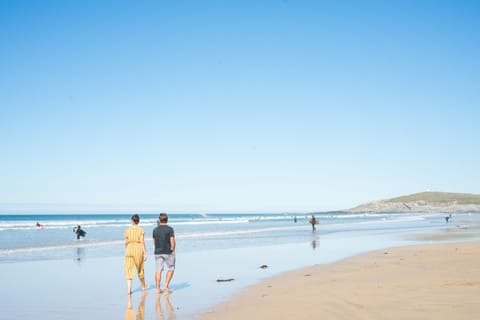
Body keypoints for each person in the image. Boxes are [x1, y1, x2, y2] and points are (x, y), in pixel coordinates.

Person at [124, 214, 149, 295]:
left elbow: (126, 242)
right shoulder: (141, 230)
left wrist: (127, 248)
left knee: (128, 269)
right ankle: (143, 285)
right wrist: (145, 253)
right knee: (140, 268)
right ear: (138, 221)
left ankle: (128, 290)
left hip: (129, 249)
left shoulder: (127, 230)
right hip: (138, 249)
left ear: (132, 221)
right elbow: (142, 241)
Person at [153, 213, 176, 294]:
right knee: (171, 268)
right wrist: (173, 249)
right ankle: (166, 285)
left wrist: (157, 249)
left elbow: (154, 242)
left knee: (158, 270)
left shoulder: (155, 230)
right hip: (168, 251)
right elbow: (172, 241)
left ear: (159, 220)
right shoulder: (170, 229)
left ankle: (158, 289)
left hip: (158, 251)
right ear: (167, 220)